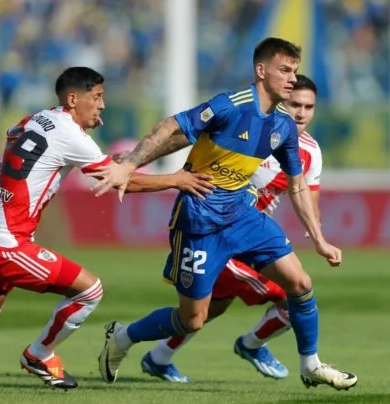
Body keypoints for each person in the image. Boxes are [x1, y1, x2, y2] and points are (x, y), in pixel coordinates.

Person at [0, 67, 214, 391]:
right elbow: (120, 180)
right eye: (96, 97)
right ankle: (40, 354)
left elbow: (20, 138)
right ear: (73, 99)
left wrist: (94, 152)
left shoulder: (36, 118)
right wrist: (177, 180)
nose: (102, 106)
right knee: (89, 290)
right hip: (6, 241)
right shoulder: (71, 136)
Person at [91, 38, 357, 390]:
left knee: (300, 283)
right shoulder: (230, 106)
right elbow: (172, 127)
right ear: (261, 71)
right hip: (199, 221)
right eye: (284, 70)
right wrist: (131, 165)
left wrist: (320, 240)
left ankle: (311, 364)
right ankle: (123, 337)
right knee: (193, 319)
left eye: (294, 71)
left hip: (243, 217)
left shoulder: (283, 126)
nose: (292, 78)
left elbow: (298, 185)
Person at [140, 74, 323, 383]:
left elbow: (307, 195)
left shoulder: (310, 152)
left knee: (210, 309)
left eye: (309, 106)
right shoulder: (248, 130)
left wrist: (315, 230)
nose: (301, 113)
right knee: (292, 295)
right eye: (295, 104)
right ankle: (252, 344)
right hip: (216, 233)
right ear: (281, 101)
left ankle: (158, 357)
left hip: (248, 239)